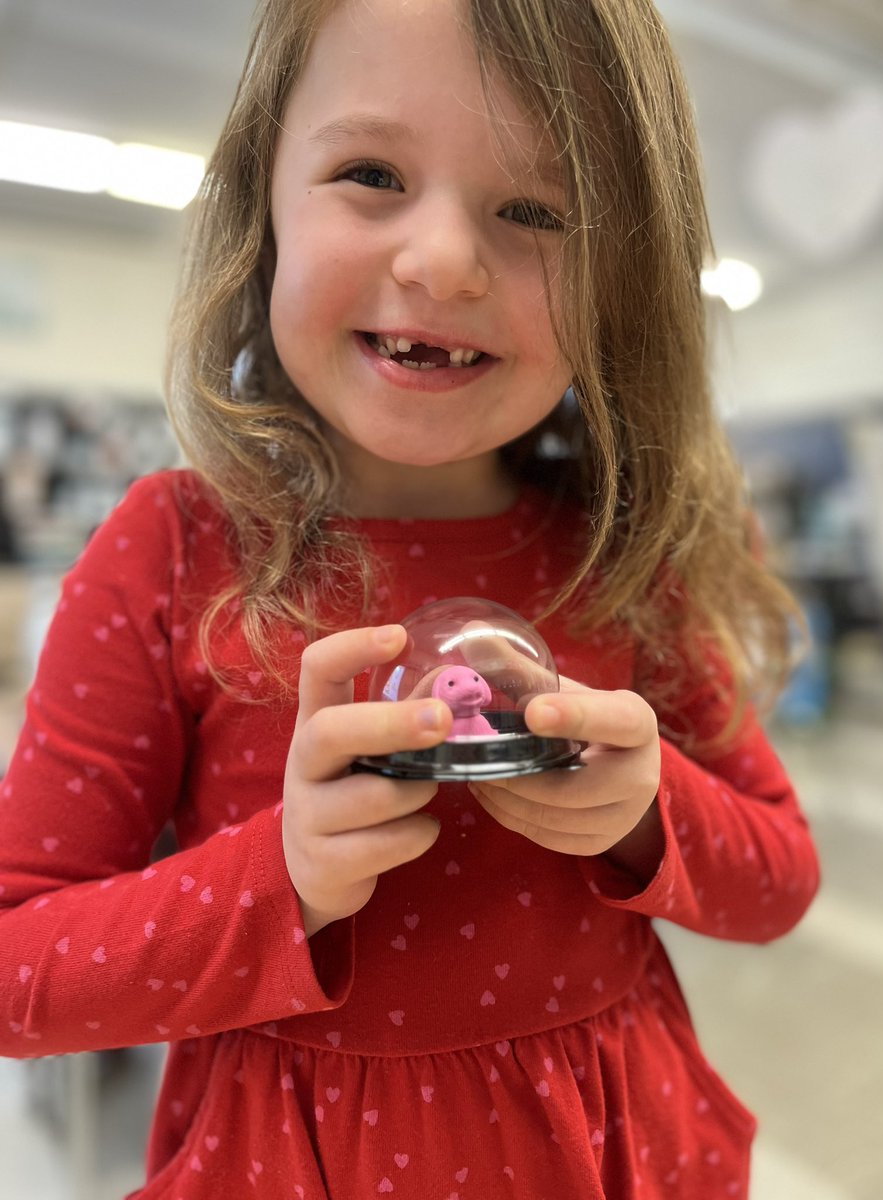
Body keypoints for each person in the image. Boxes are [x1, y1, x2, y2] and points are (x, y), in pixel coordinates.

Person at [0, 1, 820, 1196]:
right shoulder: (172, 554)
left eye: (536, 210)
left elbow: (781, 876)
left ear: (620, 283)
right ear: (260, 207)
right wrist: (275, 877)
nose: (443, 260)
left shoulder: (624, 550)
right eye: (371, 172)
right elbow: (19, 970)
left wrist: (651, 811)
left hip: (621, 1152)